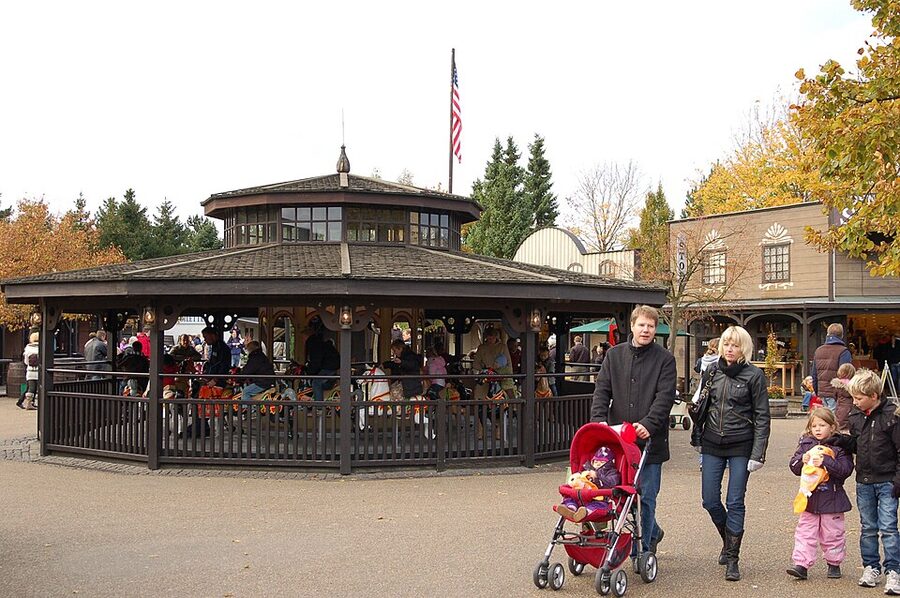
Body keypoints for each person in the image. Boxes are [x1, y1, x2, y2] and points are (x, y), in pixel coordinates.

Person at [590, 305, 676, 559]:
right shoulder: (614, 356)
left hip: (650, 441)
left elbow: (665, 397)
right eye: (642, 325)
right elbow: (602, 391)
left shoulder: (665, 359)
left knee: (646, 497)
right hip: (618, 440)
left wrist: (649, 424)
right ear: (632, 326)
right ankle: (653, 531)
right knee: (620, 496)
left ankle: (643, 549)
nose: (646, 330)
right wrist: (598, 422)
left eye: (650, 326)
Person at [693, 324, 770, 582]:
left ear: (744, 348)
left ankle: (733, 558)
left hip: (741, 444)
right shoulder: (712, 372)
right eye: (726, 344)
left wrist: (758, 453)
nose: (730, 349)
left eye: (735, 345)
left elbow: (762, 416)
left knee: (735, 500)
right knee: (709, 500)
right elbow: (703, 405)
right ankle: (728, 540)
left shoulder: (754, 376)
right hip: (713, 441)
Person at [844, 368, 900, 592]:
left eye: (859, 398)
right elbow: (856, 444)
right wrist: (839, 441)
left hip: (887, 480)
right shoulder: (855, 415)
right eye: (853, 398)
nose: (855, 402)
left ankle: (894, 570)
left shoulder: (892, 416)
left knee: (888, 527)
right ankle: (871, 566)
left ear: (874, 396)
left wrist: (898, 479)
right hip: (864, 480)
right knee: (867, 527)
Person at [786, 408, 853, 580]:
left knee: (833, 533)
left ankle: (834, 562)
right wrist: (802, 460)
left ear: (832, 427)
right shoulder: (806, 444)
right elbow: (793, 466)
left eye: (822, 425)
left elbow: (845, 470)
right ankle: (801, 564)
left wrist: (826, 461)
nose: (817, 429)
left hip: (832, 498)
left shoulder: (840, 446)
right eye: (814, 425)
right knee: (805, 531)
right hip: (809, 498)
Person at [556, 447, 621, 522]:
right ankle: (570, 508)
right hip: (582, 497)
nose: (598, 464)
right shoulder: (587, 469)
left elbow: (612, 483)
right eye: (596, 462)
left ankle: (585, 512)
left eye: (602, 462)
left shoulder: (611, 473)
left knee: (597, 506)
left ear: (610, 463)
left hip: (599, 499)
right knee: (571, 498)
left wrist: (597, 476)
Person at [812, 323, 853, 413]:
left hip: (822, 391)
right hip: (836, 393)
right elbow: (846, 375)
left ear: (827, 334)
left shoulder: (818, 350)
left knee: (827, 418)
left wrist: (817, 391)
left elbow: (814, 374)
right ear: (841, 335)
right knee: (835, 420)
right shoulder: (843, 352)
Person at [472, 328, 514, 401]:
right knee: (478, 392)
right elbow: (476, 362)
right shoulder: (482, 348)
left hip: (502, 373)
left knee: (508, 390)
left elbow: (508, 362)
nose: (490, 340)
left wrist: (509, 374)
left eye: (492, 338)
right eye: (489, 338)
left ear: (496, 337)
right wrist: (482, 370)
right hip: (487, 374)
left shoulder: (502, 347)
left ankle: (514, 407)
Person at [305, 318, 340, 401]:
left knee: (316, 383)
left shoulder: (315, 345)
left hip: (328, 368)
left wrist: (309, 372)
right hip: (331, 366)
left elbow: (316, 362)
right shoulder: (321, 342)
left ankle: (319, 406)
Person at [830, 362, 856, 433]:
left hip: (839, 407)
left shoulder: (837, 385)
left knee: (839, 425)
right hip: (850, 408)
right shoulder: (853, 385)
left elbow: (834, 396)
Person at [18, 332, 40, 410]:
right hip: (38, 371)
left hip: (30, 371)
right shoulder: (41, 348)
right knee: (39, 388)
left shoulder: (27, 348)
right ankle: (37, 403)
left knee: (31, 388)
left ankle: (28, 403)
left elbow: (26, 361)